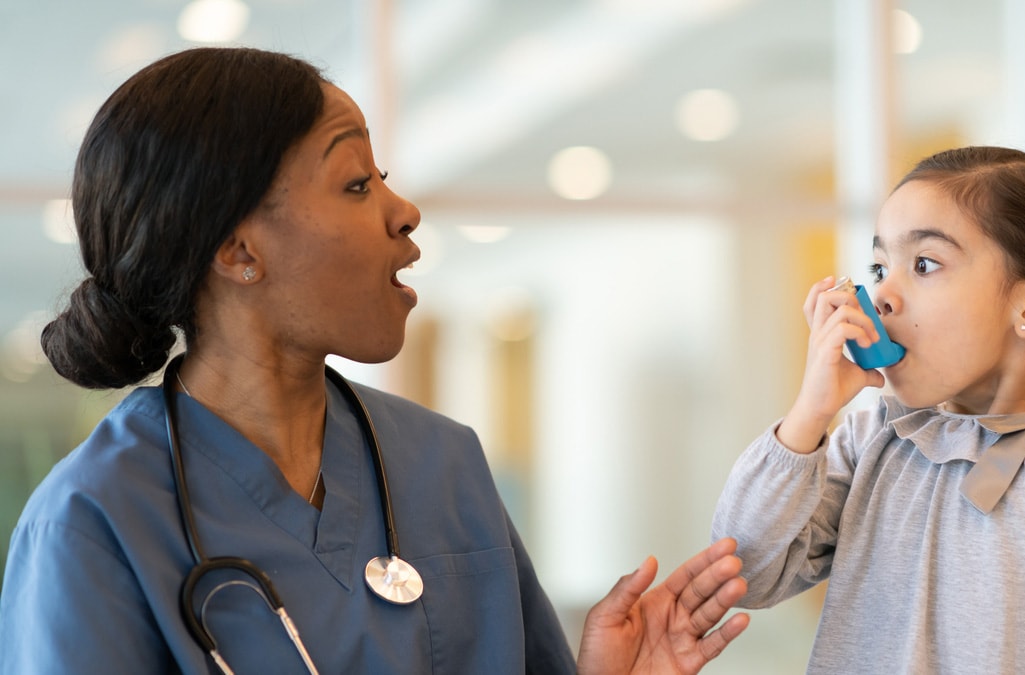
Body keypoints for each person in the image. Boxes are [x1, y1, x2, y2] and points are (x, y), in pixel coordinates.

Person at [0, 47, 750, 674]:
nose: (403, 210)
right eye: (357, 183)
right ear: (238, 250)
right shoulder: (92, 522)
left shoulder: (442, 462)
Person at [712, 146, 1025, 673]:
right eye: (879, 265)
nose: (880, 294)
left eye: (924, 264)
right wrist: (809, 415)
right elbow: (743, 572)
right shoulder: (874, 437)